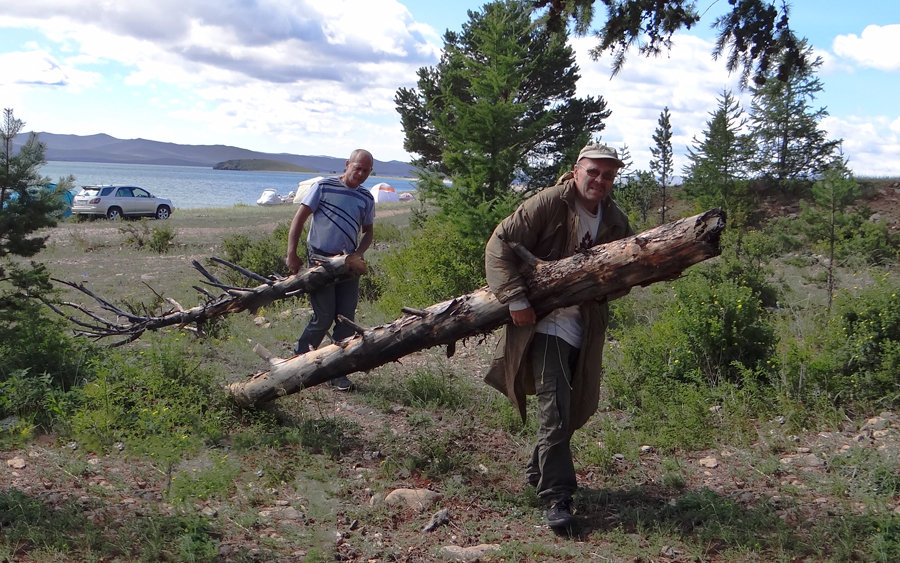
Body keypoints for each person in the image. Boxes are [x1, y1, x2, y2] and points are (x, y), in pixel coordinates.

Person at [484, 141, 634, 529]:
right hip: (544, 322)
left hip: (585, 327)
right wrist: (515, 298)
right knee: (554, 410)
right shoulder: (550, 202)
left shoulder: (614, 219)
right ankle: (558, 497)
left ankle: (538, 469)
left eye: (608, 175)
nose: (599, 180)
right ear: (577, 169)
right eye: (593, 172)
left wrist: (603, 286)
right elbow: (499, 243)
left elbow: (628, 274)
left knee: (576, 407)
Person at [286, 149, 375, 391]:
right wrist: (291, 253)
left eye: (366, 171)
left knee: (346, 319)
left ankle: (338, 372)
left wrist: (359, 254)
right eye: (357, 168)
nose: (361, 174)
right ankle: (298, 363)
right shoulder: (323, 186)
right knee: (324, 316)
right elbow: (300, 218)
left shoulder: (366, 197)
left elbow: (368, 231)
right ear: (347, 165)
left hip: (348, 264)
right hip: (319, 259)